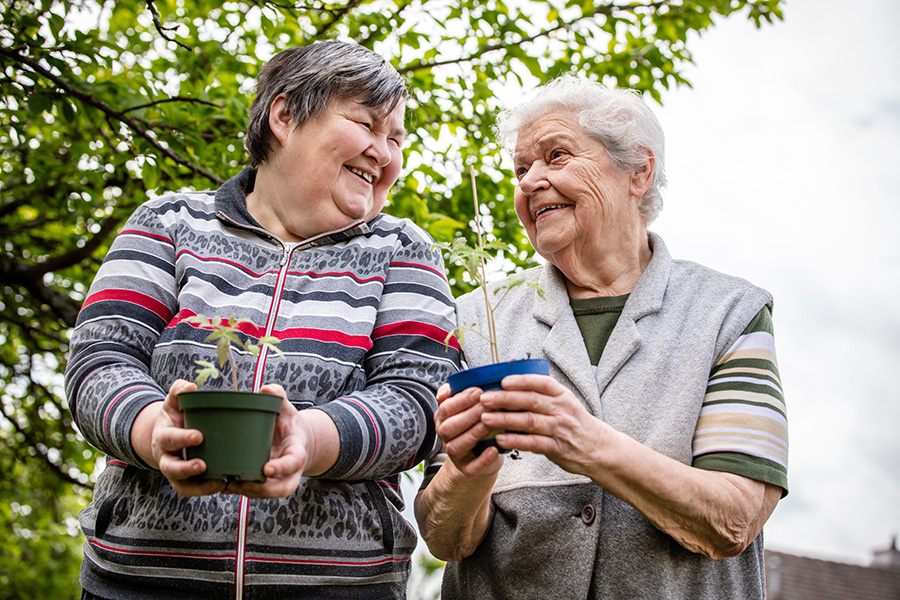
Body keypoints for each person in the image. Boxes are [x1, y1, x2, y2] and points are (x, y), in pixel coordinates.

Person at [65, 40, 460, 599]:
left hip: (339, 588)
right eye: (368, 125)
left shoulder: (403, 250)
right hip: (141, 581)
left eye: (395, 139)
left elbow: (419, 400)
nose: (383, 151)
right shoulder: (168, 223)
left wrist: (309, 437)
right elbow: (99, 362)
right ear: (284, 115)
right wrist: (156, 431)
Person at [414, 74, 789, 599]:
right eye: (521, 169)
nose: (527, 182)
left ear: (639, 172)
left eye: (556, 156)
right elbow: (443, 537)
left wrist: (587, 443)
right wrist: (468, 471)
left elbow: (734, 518)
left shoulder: (730, 313)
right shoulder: (478, 318)